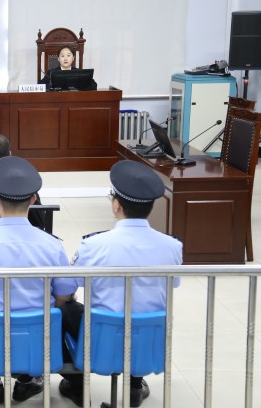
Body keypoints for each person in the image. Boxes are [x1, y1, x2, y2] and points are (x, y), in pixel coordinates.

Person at [57, 160, 183, 408]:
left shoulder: (94, 245)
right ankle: (135, 385)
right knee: (144, 312)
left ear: (116, 205)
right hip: (148, 339)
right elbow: (172, 285)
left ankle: (77, 384)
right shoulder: (172, 246)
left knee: (61, 309)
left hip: (103, 337)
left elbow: (68, 288)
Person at [0, 156, 77, 404]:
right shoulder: (52, 246)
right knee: (59, 311)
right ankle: (28, 379)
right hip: (38, 335)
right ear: (33, 200)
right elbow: (63, 296)